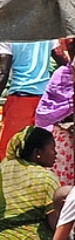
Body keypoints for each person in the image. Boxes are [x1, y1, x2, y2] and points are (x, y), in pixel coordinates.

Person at [0, 126, 60, 240]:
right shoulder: (47, 178)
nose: (56, 153)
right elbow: (54, 223)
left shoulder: (3, 167)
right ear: (38, 152)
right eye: (52, 148)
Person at [0, 41, 66, 160]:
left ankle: (10, 177)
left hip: (20, 100)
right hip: (44, 100)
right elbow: (63, 62)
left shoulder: (5, 36)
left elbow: (3, 73)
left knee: (10, 147)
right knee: (41, 146)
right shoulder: (46, 32)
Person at [34, 40, 75, 186]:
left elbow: (46, 112)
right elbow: (46, 112)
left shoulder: (60, 74)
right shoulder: (61, 75)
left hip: (60, 141)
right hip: (64, 141)